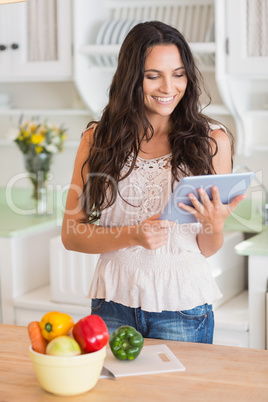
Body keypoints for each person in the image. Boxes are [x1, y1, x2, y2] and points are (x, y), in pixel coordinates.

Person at [61, 21, 245, 344]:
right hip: (111, 304)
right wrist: (132, 235)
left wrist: (214, 225)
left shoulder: (211, 141)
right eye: (153, 75)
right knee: (113, 395)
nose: (168, 87)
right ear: (132, 78)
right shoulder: (97, 139)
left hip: (182, 307)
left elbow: (206, 248)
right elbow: (71, 235)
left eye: (178, 74)